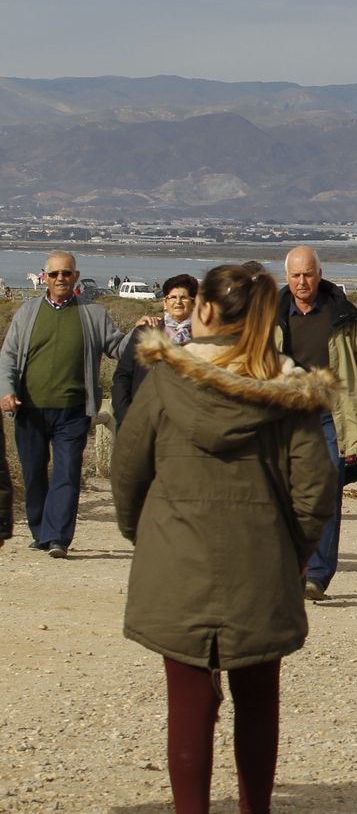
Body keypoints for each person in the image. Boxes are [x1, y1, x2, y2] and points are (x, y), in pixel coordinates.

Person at [111, 263, 338, 814]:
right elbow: (315, 491)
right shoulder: (289, 392)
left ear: (205, 309)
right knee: (258, 701)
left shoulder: (165, 381)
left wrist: (149, 537)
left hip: (176, 559)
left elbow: (127, 471)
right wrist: (292, 554)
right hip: (261, 564)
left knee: (187, 702)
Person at [0, 251, 133, 557]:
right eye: (54, 274)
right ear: (44, 277)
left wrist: (142, 331)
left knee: (68, 473)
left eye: (67, 273)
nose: (61, 278)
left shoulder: (92, 313)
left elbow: (117, 347)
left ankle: (58, 537)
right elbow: (8, 356)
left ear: (76, 276)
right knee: (33, 474)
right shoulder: (27, 312)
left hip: (73, 411)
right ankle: (40, 532)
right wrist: (6, 391)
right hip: (29, 409)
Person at [276, 246, 357, 601]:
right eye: (296, 275)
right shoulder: (270, 316)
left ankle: (316, 576)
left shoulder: (343, 315)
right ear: (286, 277)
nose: (302, 282)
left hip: (330, 414)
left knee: (326, 494)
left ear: (319, 274)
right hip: (284, 415)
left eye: (308, 274)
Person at [111, 274, 199, 425]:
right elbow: (122, 376)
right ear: (165, 302)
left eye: (184, 298)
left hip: (184, 424)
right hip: (143, 421)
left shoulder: (201, 338)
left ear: (193, 303)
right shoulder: (144, 333)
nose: (178, 302)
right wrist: (125, 415)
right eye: (172, 297)